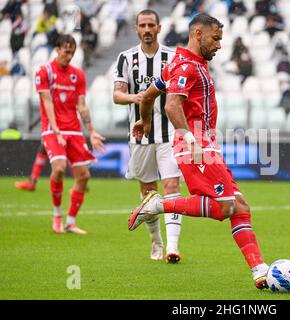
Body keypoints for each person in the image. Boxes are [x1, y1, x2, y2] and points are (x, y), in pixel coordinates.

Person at [129, 13, 270, 289]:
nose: (218, 45)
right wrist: (188, 138)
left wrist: (145, 121)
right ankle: (158, 204)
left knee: (240, 207)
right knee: (224, 207)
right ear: (197, 34)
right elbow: (171, 105)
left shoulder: (182, 64)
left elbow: (147, 96)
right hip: (195, 145)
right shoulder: (186, 68)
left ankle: (259, 269)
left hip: (207, 145)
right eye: (215, 39)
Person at [113, 9, 183, 263]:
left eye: (150, 25)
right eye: (142, 25)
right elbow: (117, 94)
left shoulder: (172, 58)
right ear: (136, 29)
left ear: (159, 28)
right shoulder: (126, 58)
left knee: (172, 185)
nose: (146, 29)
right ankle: (156, 241)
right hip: (140, 135)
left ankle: (173, 247)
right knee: (149, 192)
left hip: (169, 134)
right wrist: (137, 97)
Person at [35, 34, 105, 234]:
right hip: (52, 129)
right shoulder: (44, 72)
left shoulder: (78, 75)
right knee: (58, 168)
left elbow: (82, 105)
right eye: (66, 52)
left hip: (74, 130)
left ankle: (71, 221)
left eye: (72, 53)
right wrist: (56, 130)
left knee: (83, 175)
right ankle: (57, 215)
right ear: (57, 49)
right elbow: (47, 101)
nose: (69, 56)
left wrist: (90, 132)